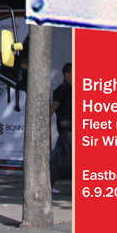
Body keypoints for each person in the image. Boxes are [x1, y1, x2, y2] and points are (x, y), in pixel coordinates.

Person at [49, 62, 73, 194]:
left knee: (56, 158)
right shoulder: (61, 90)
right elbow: (54, 107)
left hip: (71, 127)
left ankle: (48, 185)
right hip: (67, 128)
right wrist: (44, 120)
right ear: (67, 74)